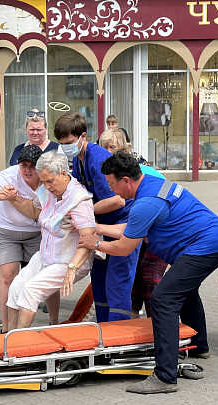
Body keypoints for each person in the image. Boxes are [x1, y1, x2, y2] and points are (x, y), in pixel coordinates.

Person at [78, 153, 218, 394]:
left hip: (206, 246)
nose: (111, 190)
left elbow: (123, 247)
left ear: (126, 180)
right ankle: (198, 346)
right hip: (213, 239)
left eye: (112, 185)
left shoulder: (145, 203)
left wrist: (94, 244)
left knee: (163, 299)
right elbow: (132, 229)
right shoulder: (150, 182)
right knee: (184, 291)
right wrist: (96, 229)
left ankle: (165, 376)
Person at [54, 112, 139, 322]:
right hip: (103, 228)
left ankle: (118, 341)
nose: (66, 147)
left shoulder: (97, 159)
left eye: (69, 142)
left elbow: (117, 200)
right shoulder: (79, 159)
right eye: (62, 143)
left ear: (83, 136)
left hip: (121, 227)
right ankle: (103, 330)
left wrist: (83, 213)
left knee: (117, 284)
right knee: (100, 283)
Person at [0, 144, 61, 332]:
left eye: (32, 166)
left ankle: (54, 323)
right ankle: (6, 329)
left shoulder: (48, 179)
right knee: (8, 275)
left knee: (48, 274)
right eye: (24, 165)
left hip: (36, 232)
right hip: (3, 230)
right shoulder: (10, 175)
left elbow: (40, 212)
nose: (27, 170)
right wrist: (1, 195)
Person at [4, 150, 96, 330]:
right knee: (16, 288)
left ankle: (20, 346)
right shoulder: (46, 191)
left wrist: (72, 268)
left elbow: (89, 237)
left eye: (50, 181)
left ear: (63, 173)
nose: (46, 186)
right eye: (43, 181)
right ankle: (8, 337)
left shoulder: (79, 199)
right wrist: (12, 198)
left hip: (69, 259)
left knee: (31, 291)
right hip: (48, 254)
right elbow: (36, 211)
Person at [97, 130, 168, 319]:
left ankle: (155, 324)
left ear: (123, 146)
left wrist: (93, 236)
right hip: (140, 224)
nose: (107, 151)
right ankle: (134, 317)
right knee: (134, 277)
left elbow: (122, 206)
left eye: (111, 147)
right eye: (103, 147)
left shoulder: (133, 168)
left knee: (149, 276)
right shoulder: (111, 170)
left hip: (153, 226)